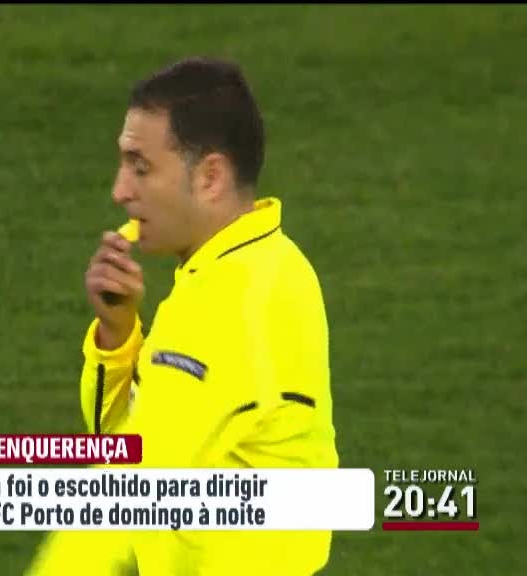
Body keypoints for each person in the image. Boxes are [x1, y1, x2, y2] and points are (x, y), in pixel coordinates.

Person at [25, 57, 339, 576]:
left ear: (210, 177)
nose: (120, 190)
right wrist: (117, 336)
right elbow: (125, 443)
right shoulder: (266, 264)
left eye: (141, 167)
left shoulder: (225, 306)